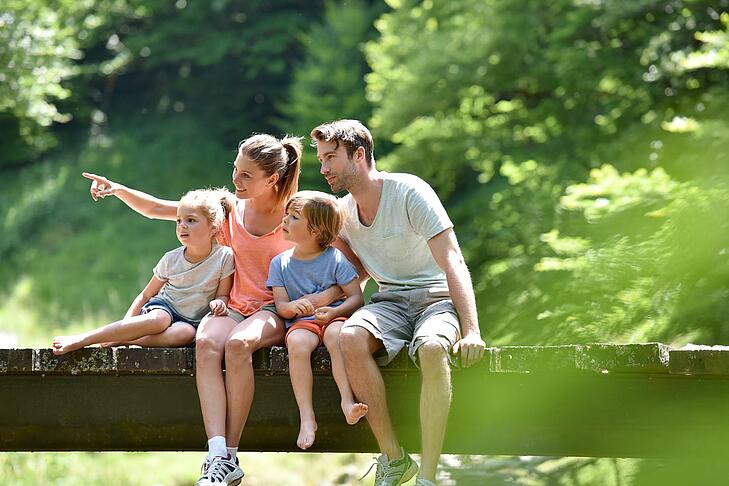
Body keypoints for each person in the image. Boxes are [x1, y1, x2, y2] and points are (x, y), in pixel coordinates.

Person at [83, 134, 349, 486]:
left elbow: (346, 262)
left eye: (246, 176)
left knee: (238, 346)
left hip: (273, 309)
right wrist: (117, 189)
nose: (236, 181)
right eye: (235, 171)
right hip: (233, 306)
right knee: (206, 342)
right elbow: (160, 209)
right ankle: (216, 454)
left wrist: (322, 300)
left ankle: (232, 457)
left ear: (271, 179)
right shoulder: (227, 207)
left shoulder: (295, 213)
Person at [311, 119, 487, 486]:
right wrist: (317, 303)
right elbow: (353, 275)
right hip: (388, 301)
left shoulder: (409, 191)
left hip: (435, 299)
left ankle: (428, 474)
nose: (324, 168)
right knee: (350, 337)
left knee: (434, 348)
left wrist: (471, 330)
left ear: (358, 154)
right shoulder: (343, 214)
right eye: (321, 159)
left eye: (331, 158)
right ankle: (394, 459)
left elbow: (452, 259)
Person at [51, 189, 234, 355]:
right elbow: (146, 294)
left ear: (213, 227)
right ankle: (85, 339)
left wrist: (219, 304)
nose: (182, 226)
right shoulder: (171, 259)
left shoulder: (224, 257)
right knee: (160, 320)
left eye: (191, 220)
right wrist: (126, 323)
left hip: (190, 323)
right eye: (178, 220)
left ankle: (124, 339)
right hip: (165, 308)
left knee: (185, 334)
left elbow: (223, 295)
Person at [267, 191, 367, 450]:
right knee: (298, 343)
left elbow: (356, 297)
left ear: (315, 231)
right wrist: (292, 307)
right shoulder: (279, 263)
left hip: (335, 317)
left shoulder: (335, 258)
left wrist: (335, 312)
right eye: (287, 215)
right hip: (304, 323)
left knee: (337, 336)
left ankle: (347, 401)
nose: (285, 220)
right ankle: (307, 417)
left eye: (294, 217)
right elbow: (281, 307)